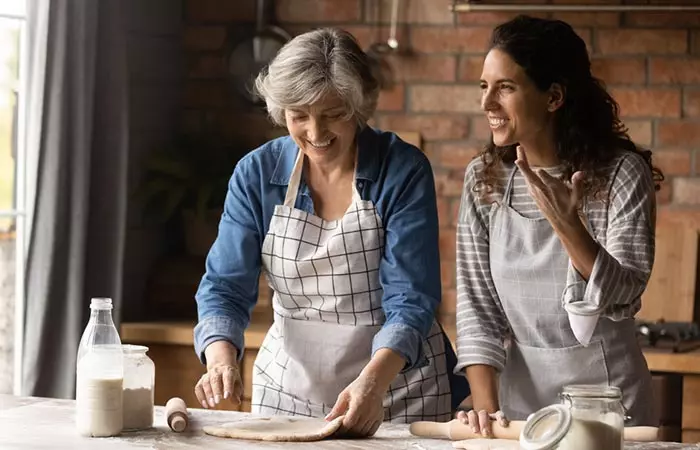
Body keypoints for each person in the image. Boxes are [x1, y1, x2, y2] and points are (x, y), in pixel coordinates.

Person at [192, 27, 469, 436]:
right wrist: (220, 361)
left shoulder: (402, 170)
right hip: (288, 390)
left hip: (397, 389)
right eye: (299, 116)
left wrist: (373, 382)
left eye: (333, 113)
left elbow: (410, 298)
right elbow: (224, 287)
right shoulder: (257, 174)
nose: (316, 133)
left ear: (358, 107)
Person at [454, 15, 663, 436]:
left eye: (505, 87)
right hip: (520, 415)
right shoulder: (484, 179)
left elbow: (624, 293)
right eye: (484, 87)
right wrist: (486, 411)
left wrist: (568, 226)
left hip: (609, 408)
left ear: (553, 97)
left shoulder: (622, 174)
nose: (487, 102)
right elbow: (477, 308)